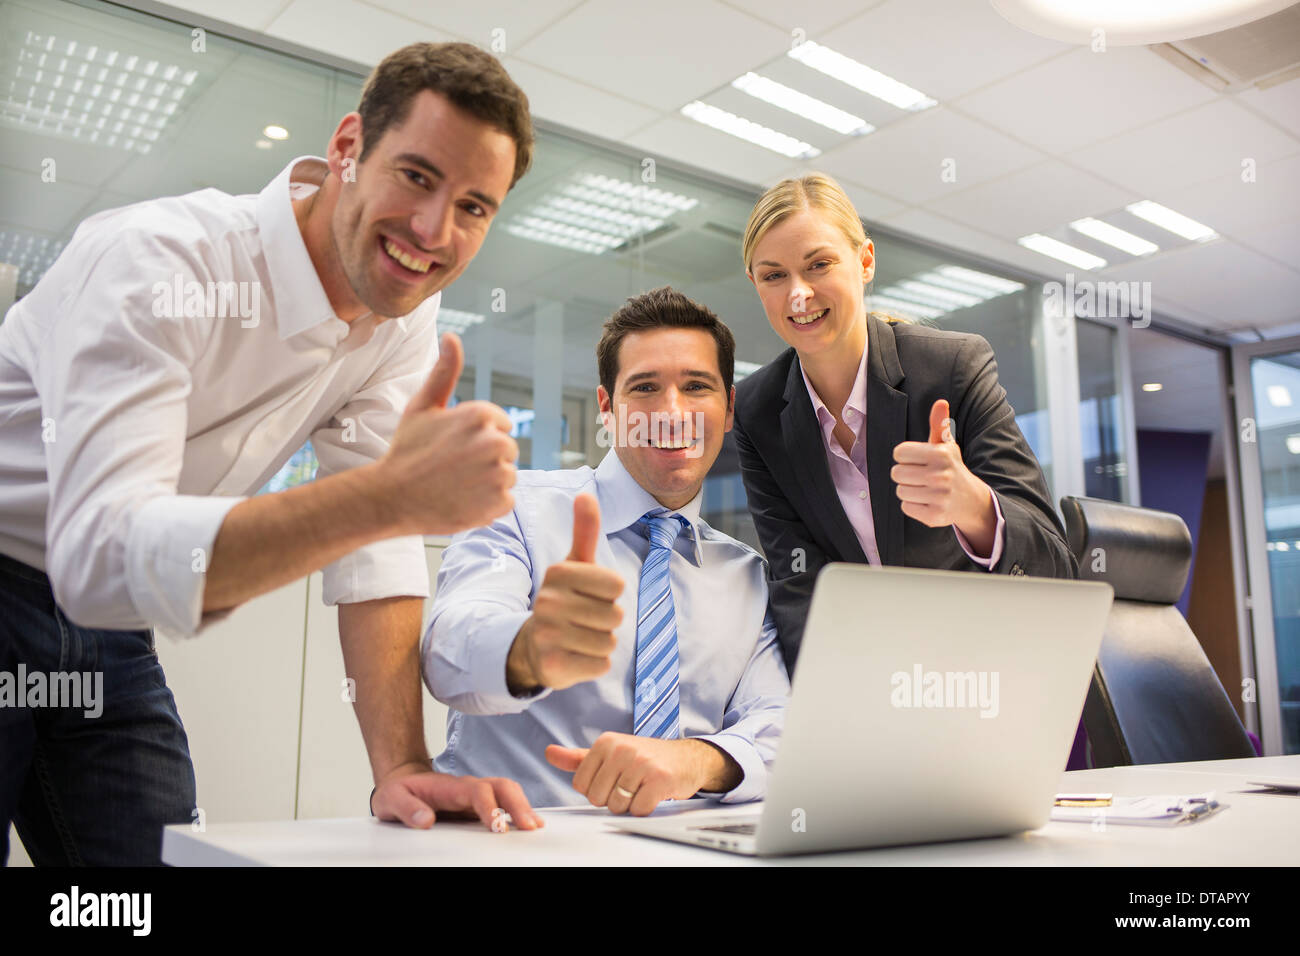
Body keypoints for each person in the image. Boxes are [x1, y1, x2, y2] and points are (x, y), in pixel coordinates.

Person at [0, 42, 544, 866]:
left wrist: (400, 765)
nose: (435, 232)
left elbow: (376, 549)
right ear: (347, 146)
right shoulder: (161, 260)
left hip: (113, 633)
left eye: (474, 206)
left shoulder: (403, 324)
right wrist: (390, 497)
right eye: (417, 176)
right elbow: (102, 554)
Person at [422, 287, 789, 814]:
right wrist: (528, 648)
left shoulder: (747, 576)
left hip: (682, 850)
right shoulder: (515, 510)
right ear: (606, 407)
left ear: (728, 408)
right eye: (644, 387)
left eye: (696, 386)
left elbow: (778, 722)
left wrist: (695, 761)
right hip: (523, 842)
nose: (671, 411)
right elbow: (447, 652)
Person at [733, 174, 1077, 670]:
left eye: (819, 265)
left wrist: (976, 508)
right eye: (774, 276)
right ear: (756, 284)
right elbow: (797, 585)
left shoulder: (953, 368)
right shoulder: (757, 410)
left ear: (865, 260)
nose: (799, 295)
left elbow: (1056, 569)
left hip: (994, 673)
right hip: (869, 688)